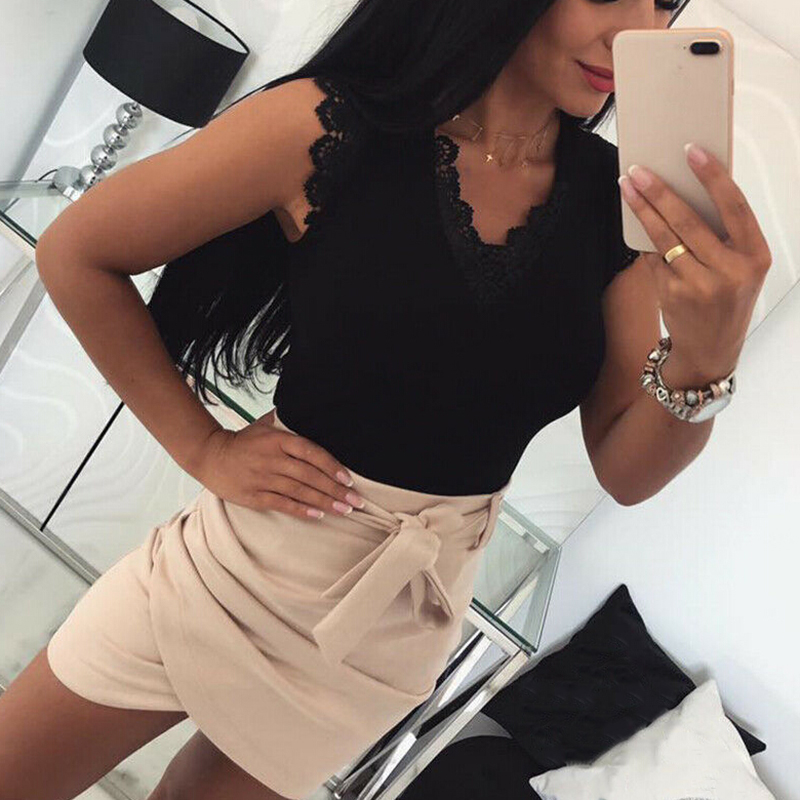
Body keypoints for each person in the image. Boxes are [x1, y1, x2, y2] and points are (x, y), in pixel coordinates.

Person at [1, 0, 771, 797]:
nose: (639, 28)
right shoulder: (328, 126)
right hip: (230, 575)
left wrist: (708, 354)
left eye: (664, 1)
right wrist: (202, 447)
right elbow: (78, 252)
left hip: (385, 636)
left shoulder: (615, 206)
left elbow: (626, 471)